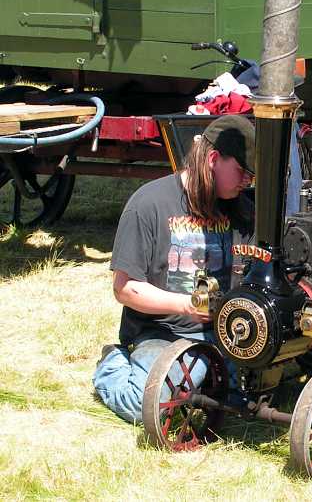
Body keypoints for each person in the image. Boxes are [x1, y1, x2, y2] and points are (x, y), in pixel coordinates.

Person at [93, 114, 258, 423]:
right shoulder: (149, 203)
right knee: (147, 406)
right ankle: (113, 364)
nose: (248, 180)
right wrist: (186, 305)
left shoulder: (242, 209)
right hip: (163, 332)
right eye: (242, 171)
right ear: (212, 159)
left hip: (225, 334)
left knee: (248, 396)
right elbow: (125, 289)